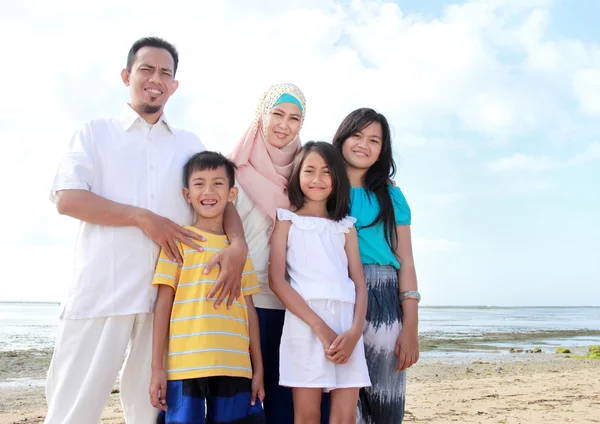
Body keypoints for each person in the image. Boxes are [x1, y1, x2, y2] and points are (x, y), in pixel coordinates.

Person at [45, 37, 248, 424]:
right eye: (146, 69)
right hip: (103, 290)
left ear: (174, 86)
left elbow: (224, 200)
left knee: (148, 412)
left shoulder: (189, 144)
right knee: (73, 409)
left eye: (165, 73)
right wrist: (143, 218)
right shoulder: (94, 133)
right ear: (126, 76)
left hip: (168, 303)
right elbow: (67, 199)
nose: (156, 79)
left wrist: (237, 245)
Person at [230, 83, 331, 423]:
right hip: (244, 302)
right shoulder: (233, 171)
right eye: (277, 114)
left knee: (285, 406)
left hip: (293, 305)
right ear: (262, 114)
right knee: (246, 401)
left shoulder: (305, 175)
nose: (284, 124)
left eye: (294, 118)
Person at [150, 151, 265, 424]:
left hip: (235, 366)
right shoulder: (179, 241)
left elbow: (250, 311)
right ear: (187, 194)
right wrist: (157, 367)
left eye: (218, 183)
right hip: (185, 367)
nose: (209, 191)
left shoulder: (239, 253)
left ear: (232, 194)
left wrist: (257, 367)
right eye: (199, 183)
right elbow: (163, 304)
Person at [269, 141, 371, 424]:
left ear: (337, 177)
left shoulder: (346, 226)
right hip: (305, 324)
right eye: (309, 171)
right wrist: (319, 327)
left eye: (326, 172)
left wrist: (355, 332)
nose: (317, 179)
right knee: (307, 416)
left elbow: (360, 285)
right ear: (297, 176)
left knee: (344, 417)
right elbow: (277, 281)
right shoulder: (286, 221)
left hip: (346, 323)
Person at [332, 108, 420, 424]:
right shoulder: (324, 190)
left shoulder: (392, 196)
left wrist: (411, 327)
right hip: (337, 296)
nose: (363, 145)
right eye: (357, 135)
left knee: (385, 401)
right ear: (342, 137)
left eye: (374, 140)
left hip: (384, 297)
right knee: (342, 403)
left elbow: (406, 261)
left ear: (382, 150)